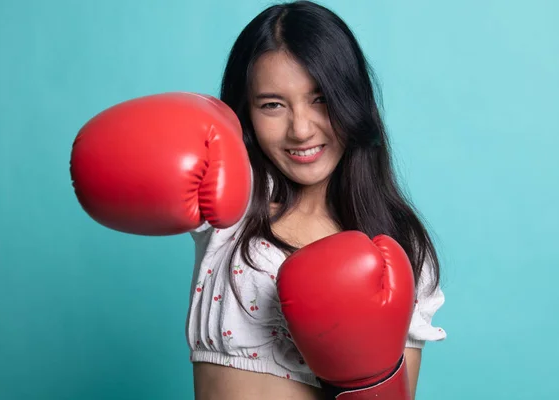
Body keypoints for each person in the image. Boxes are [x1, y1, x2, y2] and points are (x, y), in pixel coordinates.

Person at [70, 1, 446, 399]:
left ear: (350, 98)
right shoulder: (230, 206)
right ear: (245, 112)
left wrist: (367, 378)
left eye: (319, 99)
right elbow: (120, 158)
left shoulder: (399, 244)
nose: (300, 129)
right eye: (272, 104)